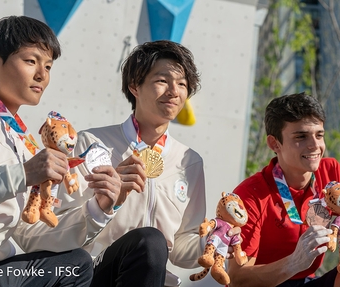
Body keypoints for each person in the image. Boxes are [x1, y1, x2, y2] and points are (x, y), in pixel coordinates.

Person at [14, 40, 214, 287]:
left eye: (182, 84)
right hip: (94, 274)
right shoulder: (91, 144)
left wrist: (212, 242)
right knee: (149, 241)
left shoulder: (190, 162)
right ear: (135, 86)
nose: (174, 91)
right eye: (162, 81)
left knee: (153, 244)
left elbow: (181, 248)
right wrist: (100, 207)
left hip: (155, 280)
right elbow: (35, 234)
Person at [0, 15, 121, 287]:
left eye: (49, 66)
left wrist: (97, 209)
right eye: (31, 61)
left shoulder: (23, 140)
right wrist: (22, 174)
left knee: (76, 265)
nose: (42, 75)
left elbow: (30, 235)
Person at [228, 92, 340, 287]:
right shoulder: (250, 195)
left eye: (319, 135)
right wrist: (293, 263)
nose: (315, 145)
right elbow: (237, 279)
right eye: (301, 136)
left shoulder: (331, 172)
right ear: (275, 143)